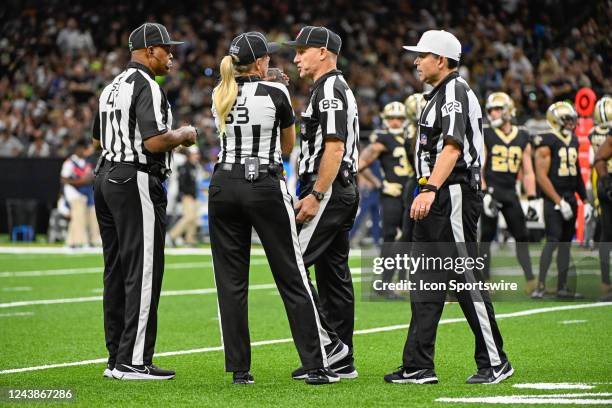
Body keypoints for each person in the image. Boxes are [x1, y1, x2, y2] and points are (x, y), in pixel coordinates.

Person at [209, 31, 347, 385]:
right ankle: (316, 364)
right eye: (267, 57)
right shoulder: (277, 91)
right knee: (292, 275)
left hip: (223, 186)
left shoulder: (219, 92)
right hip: (263, 185)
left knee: (231, 282)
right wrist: (275, 86)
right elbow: (287, 147)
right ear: (259, 62)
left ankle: (240, 370)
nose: (272, 60)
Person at [385, 30, 513, 385]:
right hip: (439, 193)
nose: (415, 61)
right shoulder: (438, 93)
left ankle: (495, 361)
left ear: (441, 60)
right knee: (425, 281)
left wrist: (429, 188)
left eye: (422, 55)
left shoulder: (454, 90)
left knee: (465, 276)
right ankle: (418, 365)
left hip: (450, 192)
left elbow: (453, 147)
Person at [92, 23, 197, 380]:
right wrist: (183, 134)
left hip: (106, 175)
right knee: (144, 269)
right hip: (134, 177)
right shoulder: (146, 85)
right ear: (149, 50)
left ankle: (115, 357)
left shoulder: (111, 87)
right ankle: (133, 361)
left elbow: (97, 137)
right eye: (167, 49)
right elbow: (153, 142)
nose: (171, 56)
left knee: (117, 270)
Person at [285, 26, 360, 379]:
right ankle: (342, 359)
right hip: (338, 188)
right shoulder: (327, 87)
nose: (296, 58)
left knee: (292, 264)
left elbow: (334, 146)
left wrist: (315, 194)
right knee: (333, 275)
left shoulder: (330, 88)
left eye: (302, 50)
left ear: (324, 53)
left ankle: (330, 345)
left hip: (328, 188)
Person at [531, 101, 591, 299]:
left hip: (570, 198)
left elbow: (575, 175)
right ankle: (539, 285)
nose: (571, 122)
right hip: (553, 199)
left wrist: (585, 199)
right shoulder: (547, 141)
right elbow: (541, 176)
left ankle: (562, 287)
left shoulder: (573, 139)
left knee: (565, 243)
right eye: (566, 119)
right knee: (553, 240)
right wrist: (558, 201)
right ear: (555, 120)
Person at [479, 92, 538, 294]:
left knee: (522, 235)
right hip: (492, 193)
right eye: (490, 110)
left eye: (496, 109)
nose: (493, 113)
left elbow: (528, 170)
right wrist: (484, 193)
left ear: (507, 110)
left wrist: (531, 199)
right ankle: (484, 281)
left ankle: (531, 280)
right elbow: (479, 167)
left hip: (510, 192)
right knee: (486, 236)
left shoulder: (522, 134)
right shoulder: (486, 133)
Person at [359, 101, 413, 298]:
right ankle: (384, 283)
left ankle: (404, 280)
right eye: (392, 118)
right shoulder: (383, 138)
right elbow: (360, 164)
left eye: (400, 118)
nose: (396, 122)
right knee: (389, 237)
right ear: (385, 119)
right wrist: (380, 184)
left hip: (413, 194)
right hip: (393, 194)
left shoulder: (413, 136)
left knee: (410, 239)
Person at [590, 96, 612, 301]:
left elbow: (594, 161)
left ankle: (605, 281)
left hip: (601, 182)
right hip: (607, 182)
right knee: (606, 234)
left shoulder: (592, 133)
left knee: (606, 234)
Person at [60, 138, 99, 247]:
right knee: (78, 216)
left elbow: (90, 177)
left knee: (91, 216)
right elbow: (63, 179)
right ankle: (78, 241)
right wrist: (80, 182)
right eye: (83, 149)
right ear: (78, 149)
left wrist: (88, 180)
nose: (85, 151)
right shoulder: (69, 162)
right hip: (74, 193)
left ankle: (90, 241)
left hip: (87, 193)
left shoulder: (85, 162)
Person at [169, 145, 201, 246]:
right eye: (194, 154)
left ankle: (190, 239)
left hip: (193, 196)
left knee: (194, 219)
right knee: (188, 217)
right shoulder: (185, 166)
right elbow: (182, 183)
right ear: (190, 155)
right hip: (187, 196)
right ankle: (172, 235)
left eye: (197, 154)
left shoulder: (194, 166)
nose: (197, 156)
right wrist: (185, 195)